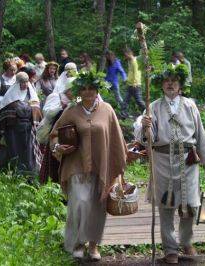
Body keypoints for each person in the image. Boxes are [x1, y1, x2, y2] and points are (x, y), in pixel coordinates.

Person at [134, 65, 205, 264]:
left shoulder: (190, 105)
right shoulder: (152, 107)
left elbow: (200, 134)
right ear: (162, 85)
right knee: (165, 205)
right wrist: (145, 128)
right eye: (167, 81)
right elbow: (148, 140)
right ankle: (170, 248)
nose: (170, 84)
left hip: (188, 160)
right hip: (162, 162)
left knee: (191, 206)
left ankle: (187, 242)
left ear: (180, 86)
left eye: (174, 81)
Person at [49, 71, 127, 260]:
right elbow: (54, 134)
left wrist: (121, 165)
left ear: (97, 89)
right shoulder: (71, 110)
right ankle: (77, 243)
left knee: (97, 207)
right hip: (77, 165)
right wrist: (58, 146)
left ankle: (93, 246)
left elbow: (117, 139)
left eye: (91, 88)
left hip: (101, 167)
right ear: (78, 91)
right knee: (79, 204)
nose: (87, 92)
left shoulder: (107, 110)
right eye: (83, 89)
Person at [0, 72, 41, 176]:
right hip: (13, 131)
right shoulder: (10, 97)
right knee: (14, 151)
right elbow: (3, 113)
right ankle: (16, 172)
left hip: (29, 129)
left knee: (29, 152)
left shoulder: (31, 94)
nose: (25, 84)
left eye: (26, 82)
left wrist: (33, 111)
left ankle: (30, 174)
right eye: (22, 82)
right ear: (18, 83)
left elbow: (37, 110)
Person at [0, 60, 18, 159]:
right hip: (1, 109)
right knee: (0, 130)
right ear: (6, 69)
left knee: (12, 130)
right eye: (11, 70)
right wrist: (5, 100)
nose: (13, 72)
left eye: (15, 70)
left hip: (14, 109)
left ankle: (12, 153)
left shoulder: (16, 80)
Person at [122, 48, 145, 117]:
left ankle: (147, 111)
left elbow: (136, 73)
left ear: (129, 54)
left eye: (125, 55)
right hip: (130, 84)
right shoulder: (129, 61)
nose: (125, 57)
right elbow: (130, 72)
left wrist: (135, 82)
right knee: (126, 100)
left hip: (135, 85)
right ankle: (123, 114)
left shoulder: (135, 61)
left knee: (139, 101)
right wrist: (127, 80)